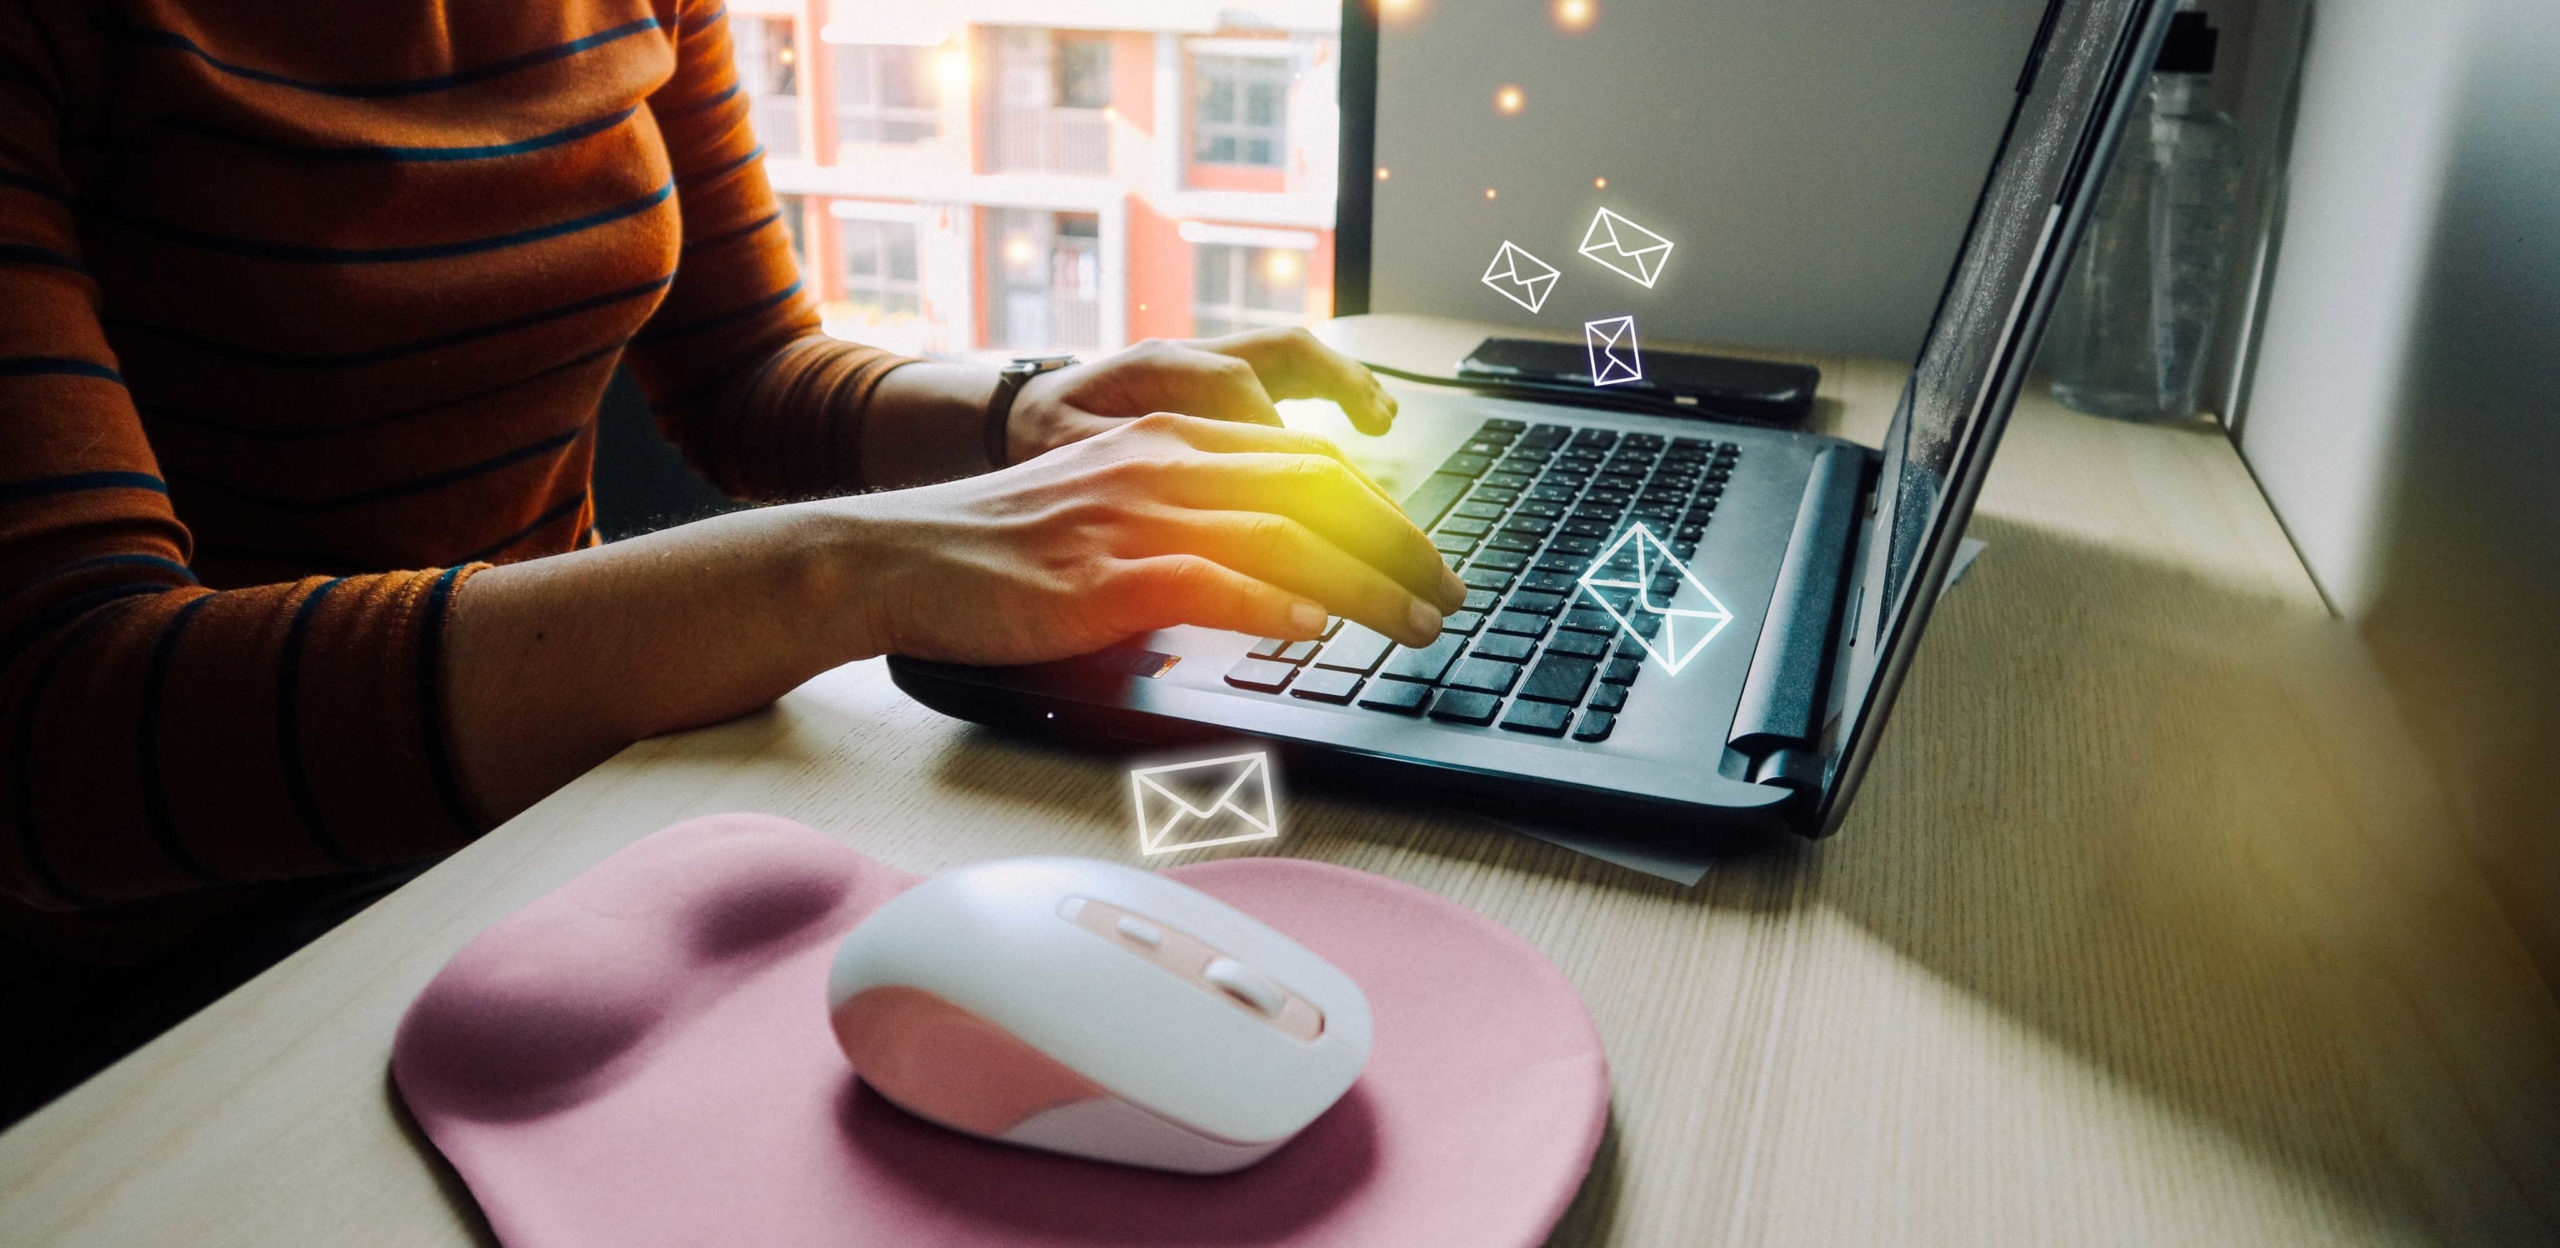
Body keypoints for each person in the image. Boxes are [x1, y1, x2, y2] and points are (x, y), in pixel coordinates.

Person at [0, 1, 1457, 1119]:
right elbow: (61, 720)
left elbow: (750, 369)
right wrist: (848, 571)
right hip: (189, 982)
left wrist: (1028, 411)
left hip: (560, 828)